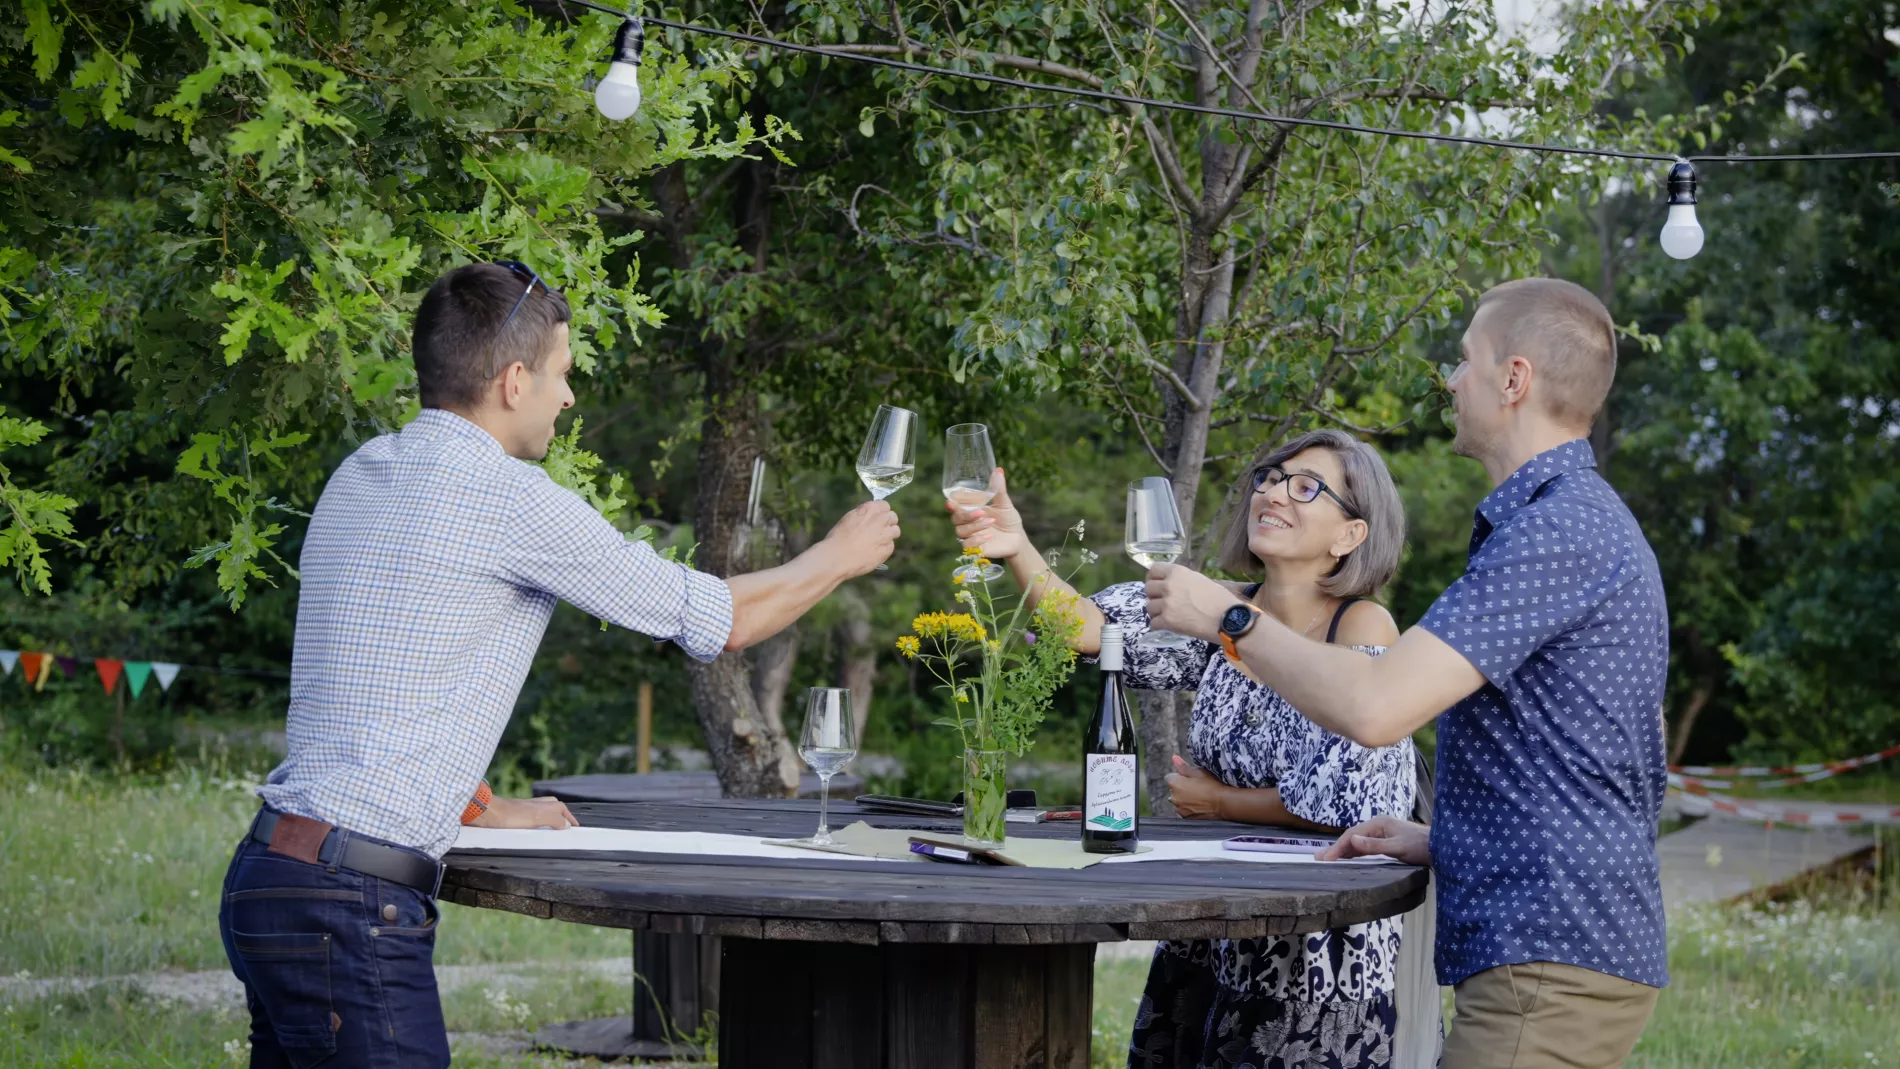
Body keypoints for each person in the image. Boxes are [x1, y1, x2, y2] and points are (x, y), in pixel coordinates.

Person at [218, 262, 900, 1068]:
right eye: (562, 374)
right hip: (351, 905)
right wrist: (839, 554)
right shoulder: (510, 498)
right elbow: (725, 620)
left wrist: (480, 804)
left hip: (271, 877)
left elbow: (382, 683)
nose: (569, 397)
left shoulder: (360, 473)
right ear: (514, 382)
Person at [1144, 278, 1669, 1069]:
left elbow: (1377, 705)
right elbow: (1602, 755)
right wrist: (1444, 837)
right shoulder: (1566, 523)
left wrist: (1229, 618)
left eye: (1464, 360)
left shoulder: (1558, 532)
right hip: (1557, 949)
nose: (1451, 381)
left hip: (1551, 960)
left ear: (1514, 379)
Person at [948, 430, 1426, 1069]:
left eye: (1306, 487)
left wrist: (1221, 801)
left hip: (1314, 951)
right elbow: (1087, 630)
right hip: (1213, 929)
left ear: (1350, 535)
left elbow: (1351, 803)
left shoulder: (1361, 625)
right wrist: (1017, 546)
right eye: (1270, 478)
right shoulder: (1221, 611)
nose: (1274, 493)